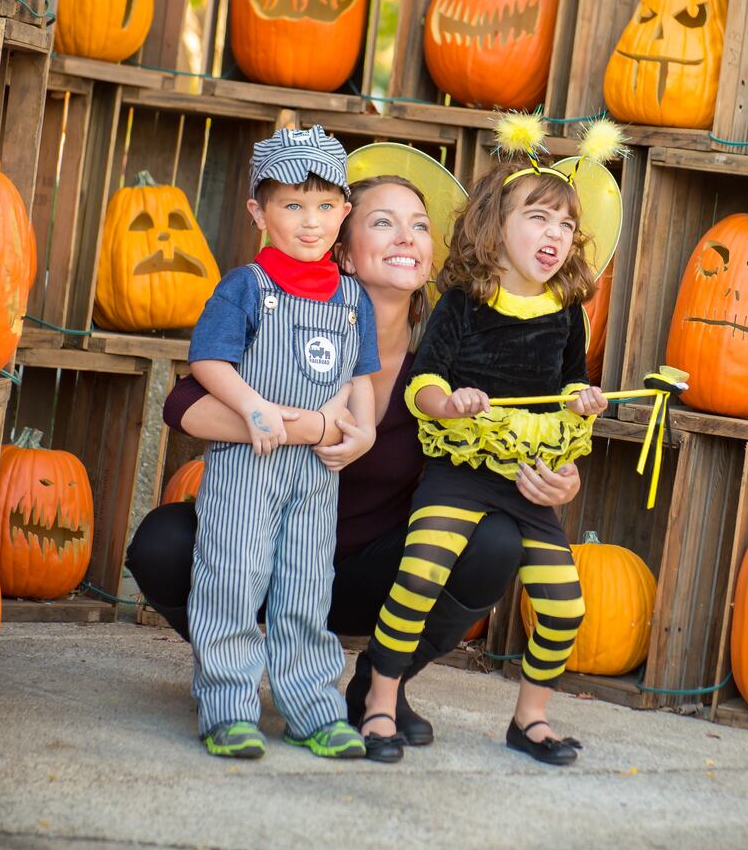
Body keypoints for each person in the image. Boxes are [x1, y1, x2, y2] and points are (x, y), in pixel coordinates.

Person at [126, 148, 585, 763]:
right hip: (260, 551)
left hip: (379, 573)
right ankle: (242, 675)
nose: (407, 238)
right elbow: (184, 403)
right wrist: (313, 426)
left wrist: (561, 477)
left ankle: (377, 687)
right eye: (383, 222)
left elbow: (521, 422)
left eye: (419, 225)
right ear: (341, 245)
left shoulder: (451, 351)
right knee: (162, 541)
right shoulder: (286, 321)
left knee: (494, 541)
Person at [358, 122, 616, 767]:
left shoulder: (566, 311)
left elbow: (569, 390)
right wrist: (451, 402)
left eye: (566, 225)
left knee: (565, 606)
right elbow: (422, 385)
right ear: (496, 225)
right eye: (539, 218)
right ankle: (379, 701)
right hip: (460, 472)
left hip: (528, 481)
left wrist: (583, 407)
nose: (555, 235)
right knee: (419, 576)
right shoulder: (465, 303)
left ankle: (530, 718)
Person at [183, 125, 379, 761]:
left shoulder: (353, 298)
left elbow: (360, 378)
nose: (310, 221)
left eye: (325, 207)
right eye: (292, 205)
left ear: (344, 213)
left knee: (304, 587)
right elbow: (208, 361)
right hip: (250, 464)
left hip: (318, 474)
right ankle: (228, 706)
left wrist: (362, 429)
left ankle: (312, 708)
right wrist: (252, 406)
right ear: (258, 212)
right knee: (233, 579)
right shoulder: (246, 286)